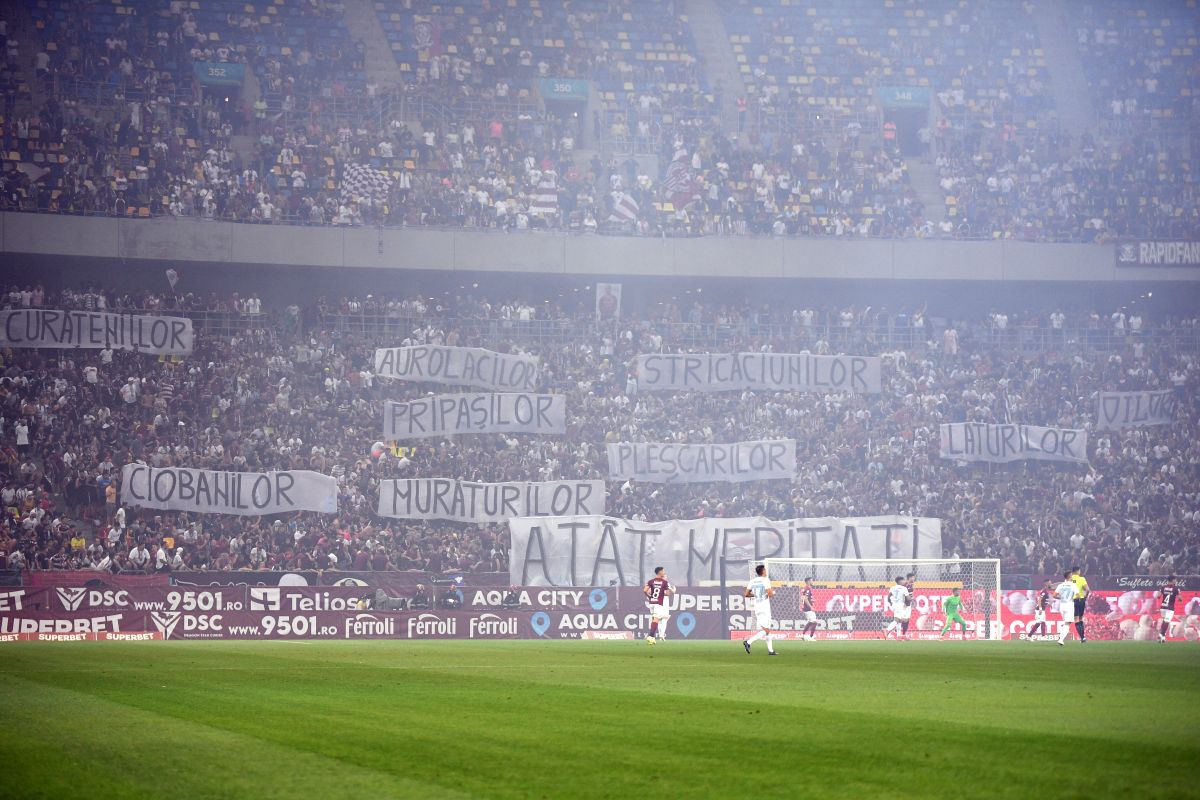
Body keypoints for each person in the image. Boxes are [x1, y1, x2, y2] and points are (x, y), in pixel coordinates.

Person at [743, 564, 777, 655]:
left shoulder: (752, 581)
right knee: (766, 630)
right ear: (763, 571)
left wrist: (756, 595)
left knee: (767, 630)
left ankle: (771, 651)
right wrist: (773, 592)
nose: (766, 571)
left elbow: (746, 594)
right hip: (764, 607)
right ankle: (748, 642)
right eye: (765, 570)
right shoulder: (766, 580)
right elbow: (770, 594)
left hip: (757, 607)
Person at [644, 566, 674, 644]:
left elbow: (645, 590)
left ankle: (652, 637)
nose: (664, 572)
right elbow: (668, 593)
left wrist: (649, 596)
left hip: (652, 602)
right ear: (660, 572)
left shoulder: (651, 581)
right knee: (657, 619)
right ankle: (651, 636)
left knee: (654, 619)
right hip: (658, 603)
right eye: (663, 571)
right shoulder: (664, 582)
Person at [1055, 570, 1077, 645]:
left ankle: (1061, 635)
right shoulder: (1073, 585)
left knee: (1066, 622)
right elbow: (1077, 595)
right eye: (1071, 575)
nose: (1072, 576)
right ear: (1069, 576)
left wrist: (1062, 598)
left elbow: (1054, 595)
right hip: (1069, 606)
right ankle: (1061, 640)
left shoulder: (1060, 585)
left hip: (1062, 606)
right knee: (1068, 623)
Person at [1070, 565, 1089, 643]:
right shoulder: (1082, 579)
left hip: (1074, 601)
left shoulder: (1069, 579)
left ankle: (1082, 637)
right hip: (1081, 600)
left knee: (1076, 619)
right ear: (1077, 571)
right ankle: (1083, 637)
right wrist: (1085, 597)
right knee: (1080, 618)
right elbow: (1087, 590)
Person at [1158, 575, 1180, 643]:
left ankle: (1162, 638)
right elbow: (1180, 599)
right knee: (1167, 621)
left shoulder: (1163, 587)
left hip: (1163, 607)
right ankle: (1161, 634)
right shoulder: (1176, 588)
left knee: (1164, 621)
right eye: (1175, 580)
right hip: (1170, 608)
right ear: (1173, 580)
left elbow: (1158, 596)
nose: (1176, 581)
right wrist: (1178, 594)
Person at [799, 577, 817, 641]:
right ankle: (811, 637)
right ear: (808, 581)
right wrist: (811, 607)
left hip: (805, 607)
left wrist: (811, 600)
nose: (812, 582)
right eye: (811, 580)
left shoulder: (805, 588)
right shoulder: (808, 588)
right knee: (814, 622)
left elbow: (803, 598)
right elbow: (805, 599)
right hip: (808, 608)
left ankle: (803, 635)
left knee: (810, 621)